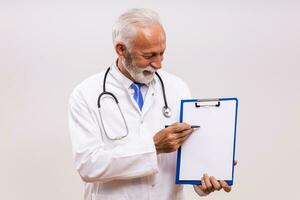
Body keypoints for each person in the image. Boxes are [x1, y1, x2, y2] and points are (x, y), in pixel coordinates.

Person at [68, 8, 236, 200]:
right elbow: (88, 166)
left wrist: (202, 181)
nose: (158, 64)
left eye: (162, 53)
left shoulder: (177, 87)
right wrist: (153, 146)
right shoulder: (86, 94)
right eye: (149, 56)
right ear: (121, 50)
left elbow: (186, 155)